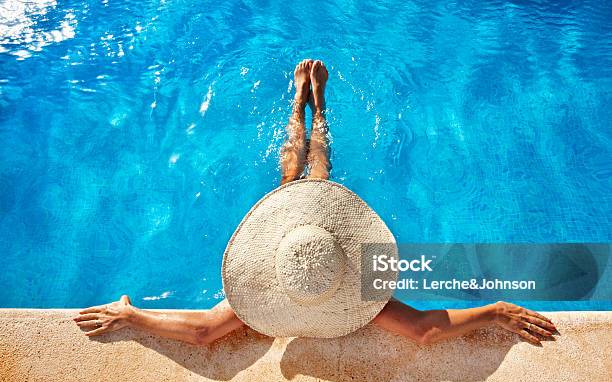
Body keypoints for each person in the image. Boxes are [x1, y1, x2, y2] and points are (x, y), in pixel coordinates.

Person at [75, 60, 556, 347]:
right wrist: (495, 310)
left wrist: (131, 316)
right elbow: (425, 331)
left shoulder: (253, 305)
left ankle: (303, 103)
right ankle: (316, 104)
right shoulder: (367, 294)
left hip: (300, 244)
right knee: (310, 179)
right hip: (315, 241)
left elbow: (203, 333)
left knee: (295, 179)